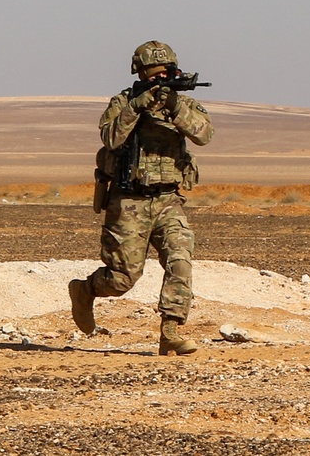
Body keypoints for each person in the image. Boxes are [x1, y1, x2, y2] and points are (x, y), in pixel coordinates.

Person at [69, 41, 214, 355]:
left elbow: (203, 134)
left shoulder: (182, 104)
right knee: (121, 279)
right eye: (154, 76)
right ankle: (85, 290)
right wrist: (136, 107)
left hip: (167, 199)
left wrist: (174, 107)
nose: (161, 81)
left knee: (180, 258)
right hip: (129, 202)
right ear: (141, 76)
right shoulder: (124, 102)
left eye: (167, 74)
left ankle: (171, 331)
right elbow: (110, 138)